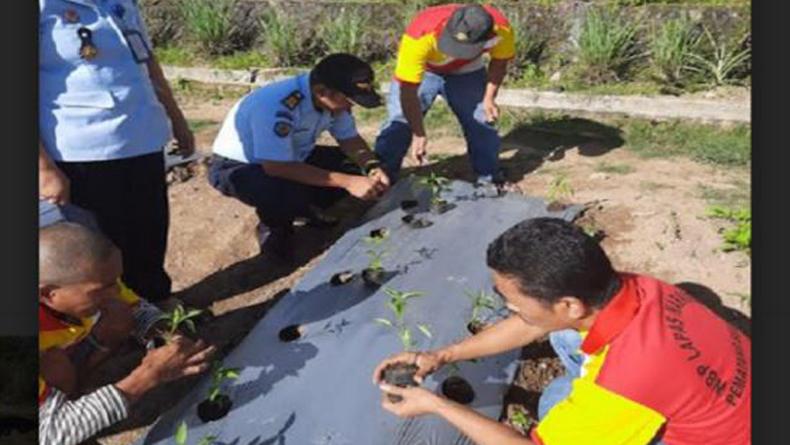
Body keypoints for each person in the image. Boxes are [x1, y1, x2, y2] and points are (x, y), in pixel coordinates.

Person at [374, 218, 751, 445]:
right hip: (721, 399)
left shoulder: (623, 381)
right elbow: (529, 322)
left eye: (512, 298)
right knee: (563, 337)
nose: (508, 306)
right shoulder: (640, 287)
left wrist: (437, 405)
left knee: (555, 399)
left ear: (569, 304)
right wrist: (442, 356)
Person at [39, 0, 195, 305]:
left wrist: (176, 119)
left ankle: (156, 301)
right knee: (101, 248)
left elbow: (148, 64)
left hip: (142, 138)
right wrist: (43, 169)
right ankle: (117, 320)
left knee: (149, 231)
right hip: (82, 150)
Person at [38, 222, 215, 445]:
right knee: (56, 368)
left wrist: (164, 334)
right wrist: (147, 375)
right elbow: (45, 435)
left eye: (115, 281)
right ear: (48, 294)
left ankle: (72, 398)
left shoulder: (94, 277)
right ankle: (63, 410)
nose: (115, 292)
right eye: (102, 289)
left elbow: (137, 308)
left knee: (120, 314)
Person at [208, 53, 390, 261]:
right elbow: (276, 167)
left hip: (291, 157)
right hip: (240, 167)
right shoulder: (277, 107)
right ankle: (276, 231)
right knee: (282, 191)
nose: (351, 107)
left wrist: (371, 167)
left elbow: (350, 140)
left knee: (349, 165)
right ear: (322, 92)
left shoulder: (331, 102)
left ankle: (307, 209)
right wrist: (349, 183)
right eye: (349, 101)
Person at [374, 3, 515, 184]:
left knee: (481, 120)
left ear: (487, 37)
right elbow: (408, 92)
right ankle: (380, 179)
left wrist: (489, 98)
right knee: (399, 122)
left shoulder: (500, 28)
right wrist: (418, 133)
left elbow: (499, 62)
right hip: (425, 69)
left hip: (468, 70)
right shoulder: (420, 34)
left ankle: (489, 179)